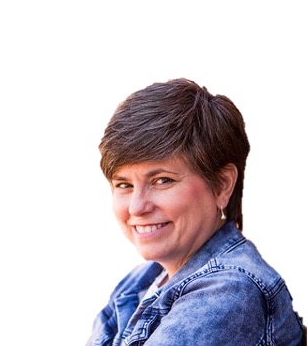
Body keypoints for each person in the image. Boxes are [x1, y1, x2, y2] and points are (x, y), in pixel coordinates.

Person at [86, 78, 304, 345]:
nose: (136, 207)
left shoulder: (230, 291)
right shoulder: (140, 281)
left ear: (222, 185)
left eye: (162, 180)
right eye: (124, 185)